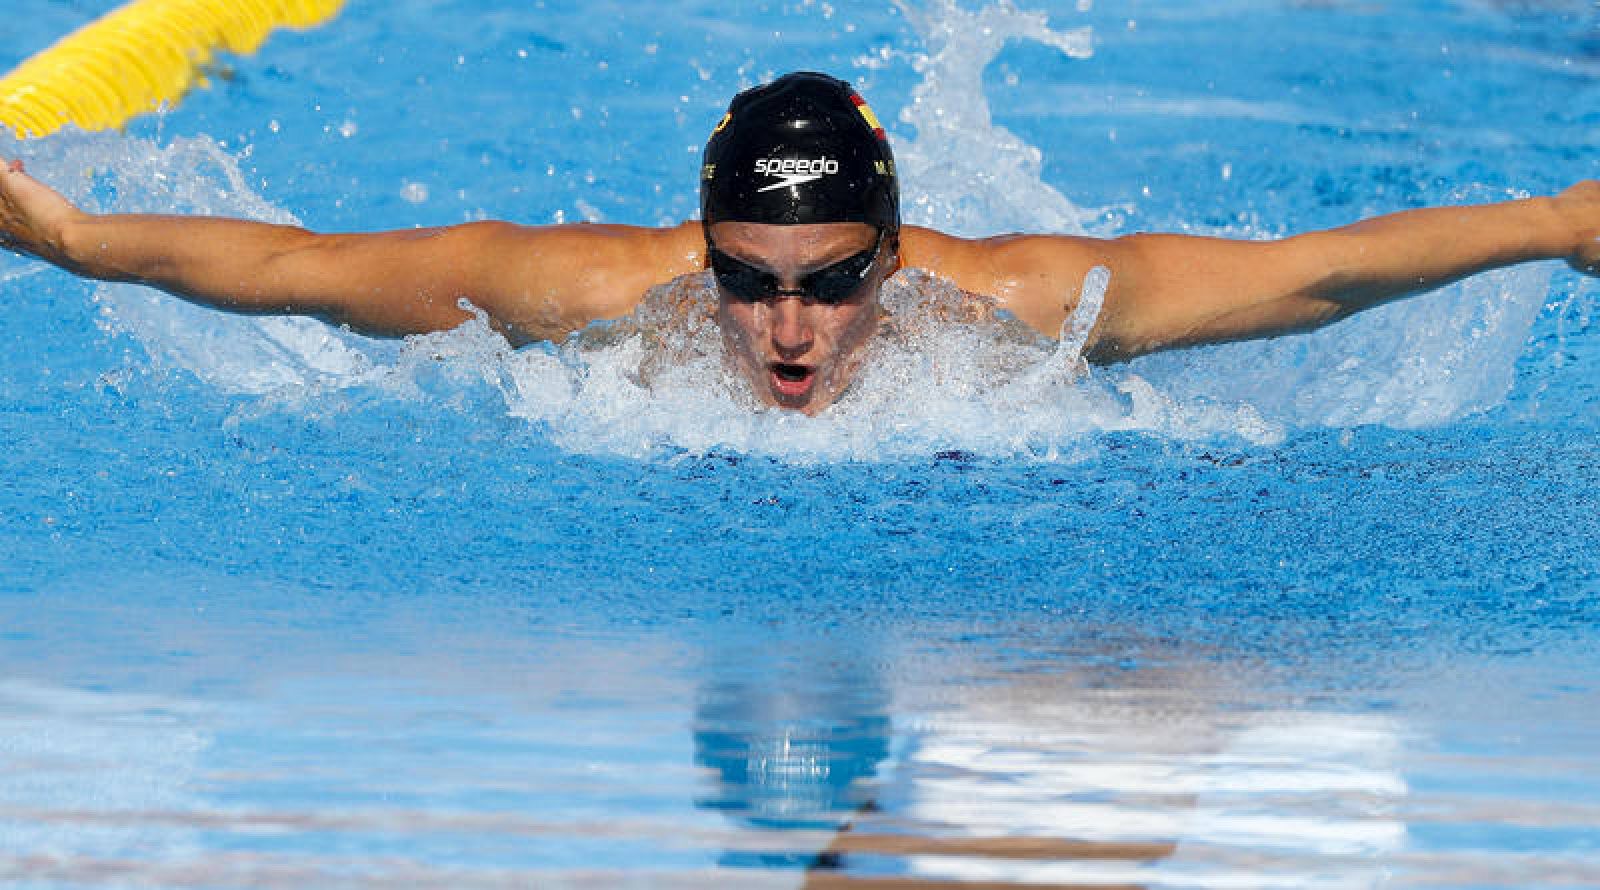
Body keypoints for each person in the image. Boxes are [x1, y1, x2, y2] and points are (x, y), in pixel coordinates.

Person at [2, 71, 1597, 415]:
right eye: (750, 283)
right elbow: (301, 270)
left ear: (891, 258)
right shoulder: (592, 302)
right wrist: (67, 233)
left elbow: (1314, 273)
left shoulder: (1011, 310)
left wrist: (1555, 223)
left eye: (836, 282)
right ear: (699, 256)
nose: (789, 331)